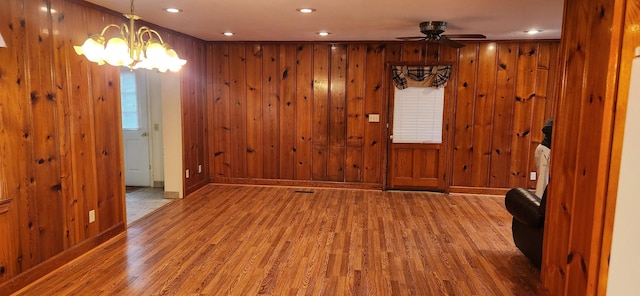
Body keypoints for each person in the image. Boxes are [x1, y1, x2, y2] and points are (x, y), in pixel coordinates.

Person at [535, 118, 553, 197]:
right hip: (547, 150)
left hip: (545, 150)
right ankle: (539, 207)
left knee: (543, 182)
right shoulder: (562, 116)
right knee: (542, 184)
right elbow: (546, 128)